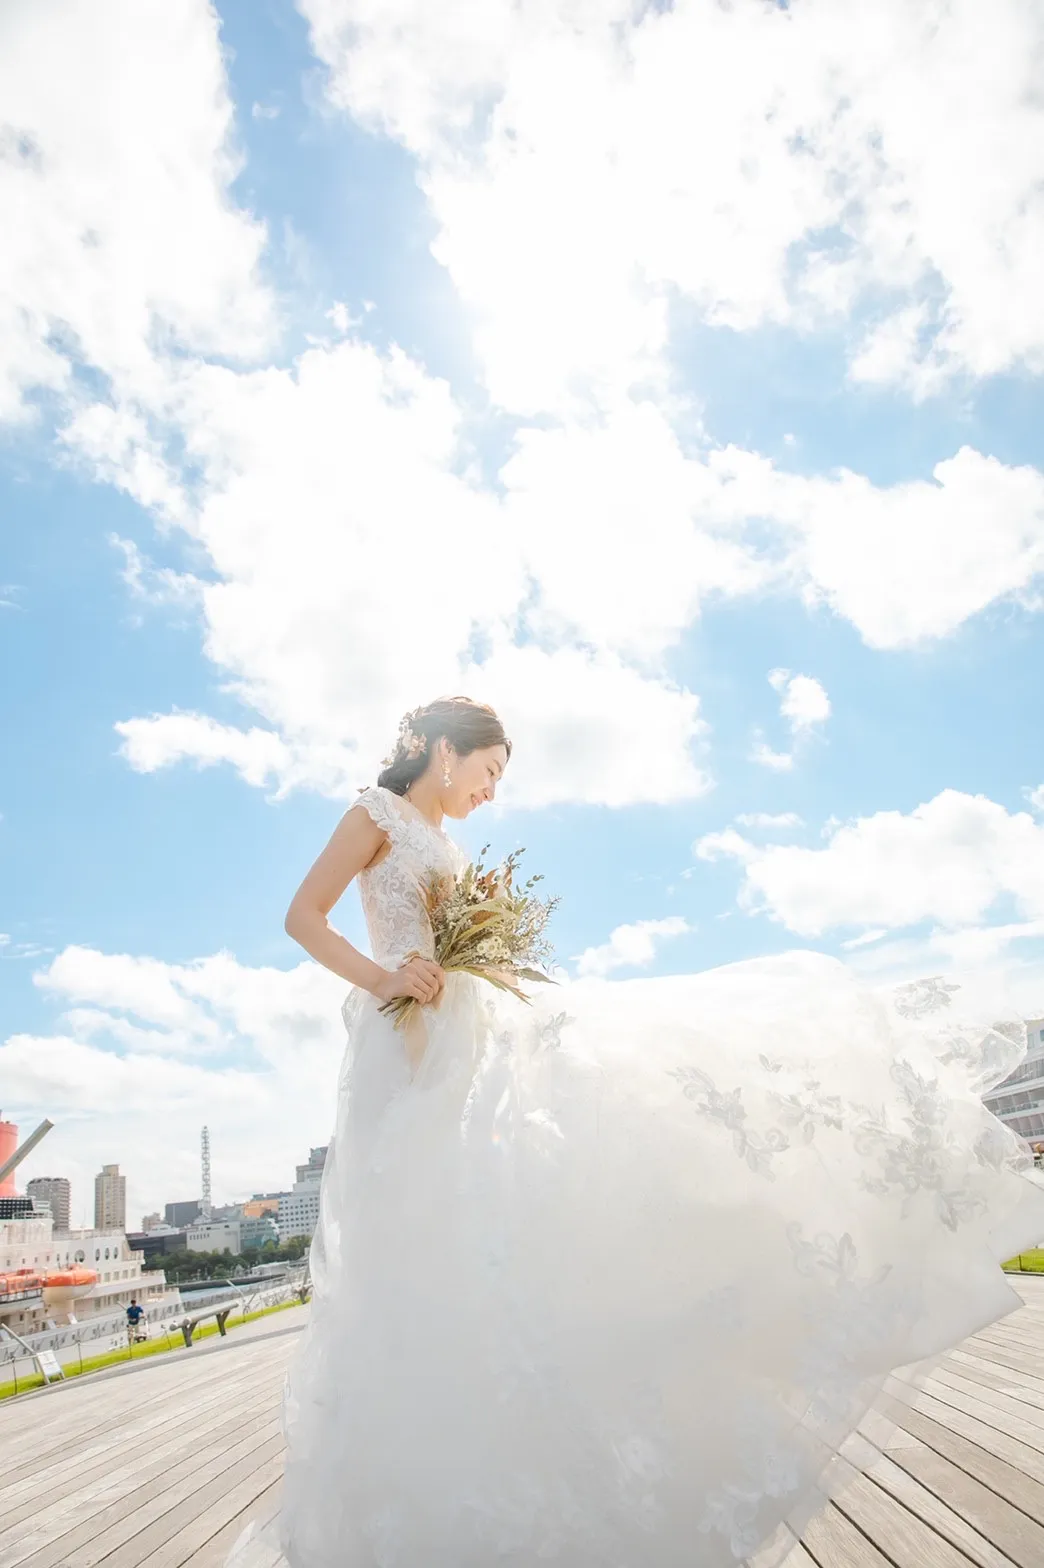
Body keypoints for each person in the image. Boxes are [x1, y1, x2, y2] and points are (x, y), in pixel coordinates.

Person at [230, 695, 1044, 1568]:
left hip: (467, 1039)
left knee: (505, 1228)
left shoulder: (453, 848)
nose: (492, 792)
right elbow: (304, 916)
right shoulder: (376, 814)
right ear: (443, 750)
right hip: (406, 1047)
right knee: (413, 1251)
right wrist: (386, 978)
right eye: (490, 771)